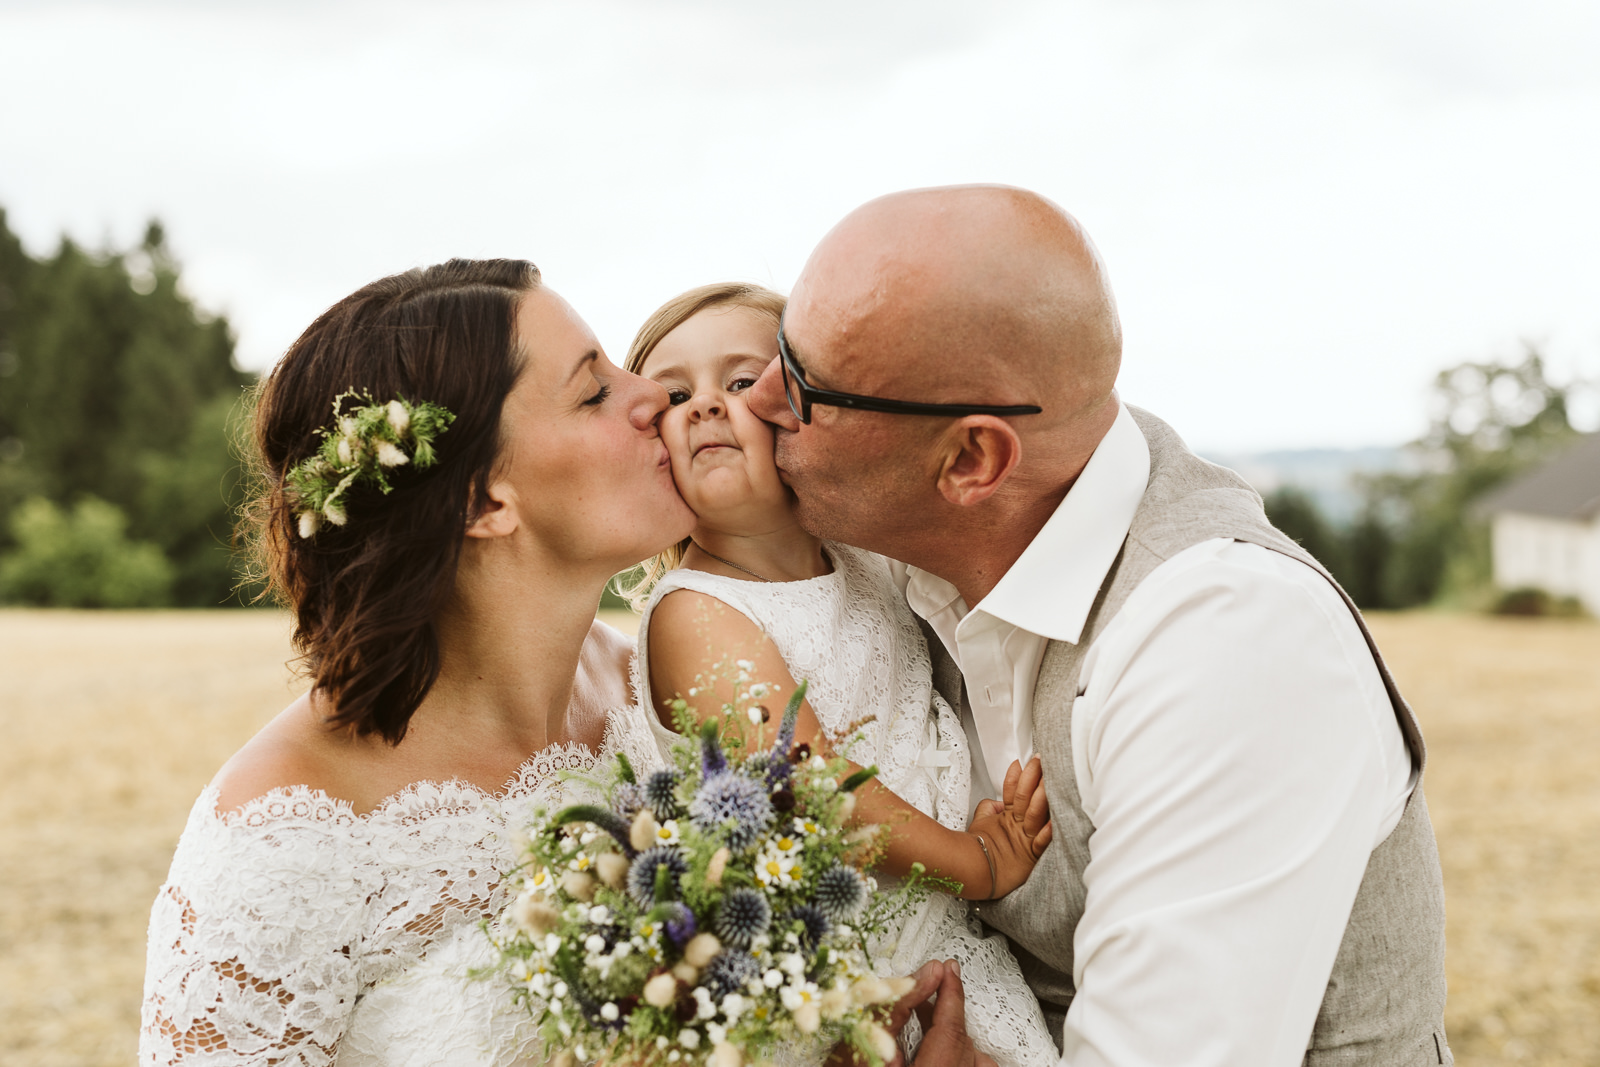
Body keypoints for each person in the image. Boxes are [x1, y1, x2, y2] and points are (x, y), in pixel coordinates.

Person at [742, 186, 1453, 1066]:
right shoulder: (879, 556)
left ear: (971, 460)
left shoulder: (1228, 638)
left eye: (803, 384)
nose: (759, 398)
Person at [139, 259, 697, 1066]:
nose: (654, 394)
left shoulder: (664, 686)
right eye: (593, 391)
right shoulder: (284, 832)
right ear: (483, 500)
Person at [611, 282, 1059, 1067]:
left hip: (944, 936)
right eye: (674, 396)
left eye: (740, 381)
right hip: (842, 972)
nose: (705, 405)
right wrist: (980, 862)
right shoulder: (696, 611)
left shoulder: (866, 561)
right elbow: (810, 789)